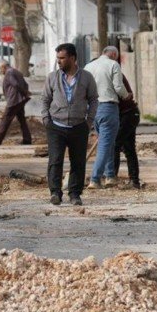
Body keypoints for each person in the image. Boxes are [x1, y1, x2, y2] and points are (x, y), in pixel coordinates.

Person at [42, 42, 98, 206]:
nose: (59, 61)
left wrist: (89, 121)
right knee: (55, 161)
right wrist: (46, 119)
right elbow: (45, 99)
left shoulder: (86, 77)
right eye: (58, 58)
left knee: (78, 161)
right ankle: (55, 193)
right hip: (56, 126)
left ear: (72, 58)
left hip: (78, 126)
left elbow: (94, 100)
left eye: (62, 58)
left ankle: (75, 194)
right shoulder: (52, 77)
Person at [82, 45, 130, 188]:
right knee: (105, 144)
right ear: (114, 55)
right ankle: (95, 179)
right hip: (108, 107)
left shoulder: (88, 66)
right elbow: (118, 87)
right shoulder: (113, 65)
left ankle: (110, 176)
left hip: (92, 109)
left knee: (108, 142)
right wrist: (127, 96)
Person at [0, 61, 32, 145]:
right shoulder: (16, 71)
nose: (1, 71)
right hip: (20, 100)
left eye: (1, 69)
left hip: (14, 100)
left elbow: (15, 84)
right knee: (22, 120)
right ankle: (27, 138)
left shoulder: (9, 72)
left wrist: (25, 92)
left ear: (4, 66)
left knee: (6, 118)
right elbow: (26, 84)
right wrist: (25, 93)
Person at [113, 73, 141, 188]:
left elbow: (124, 94)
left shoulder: (115, 75)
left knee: (115, 145)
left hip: (128, 115)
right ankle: (134, 181)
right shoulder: (112, 73)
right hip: (128, 114)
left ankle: (111, 177)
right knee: (128, 148)